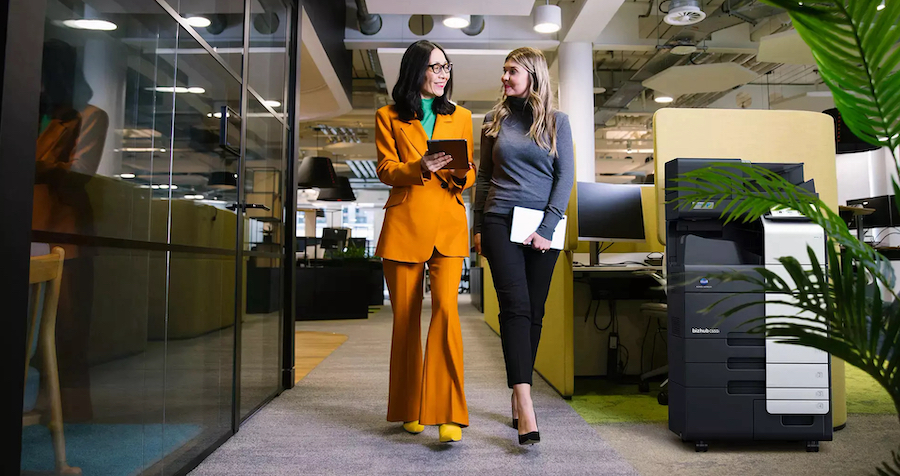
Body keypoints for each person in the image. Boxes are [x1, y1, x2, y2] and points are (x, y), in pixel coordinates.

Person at [374, 40, 476, 443]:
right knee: (404, 322)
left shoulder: (463, 116)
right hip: (404, 225)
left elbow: (469, 175)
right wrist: (420, 166)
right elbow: (385, 168)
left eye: (446, 67)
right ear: (416, 71)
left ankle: (448, 411)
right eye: (435, 67)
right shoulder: (388, 116)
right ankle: (409, 408)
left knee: (447, 314)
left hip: (448, 226)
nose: (443, 74)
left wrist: (458, 173)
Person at [472, 47, 575, 445]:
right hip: (500, 220)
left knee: (535, 312)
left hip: (542, 227)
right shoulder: (492, 120)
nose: (504, 77)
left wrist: (548, 227)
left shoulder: (556, 123)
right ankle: (525, 401)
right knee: (515, 308)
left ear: (532, 74)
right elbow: (483, 178)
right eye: (503, 71)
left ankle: (520, 394)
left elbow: (564, 178)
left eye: (511, 71)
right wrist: (477, 227)